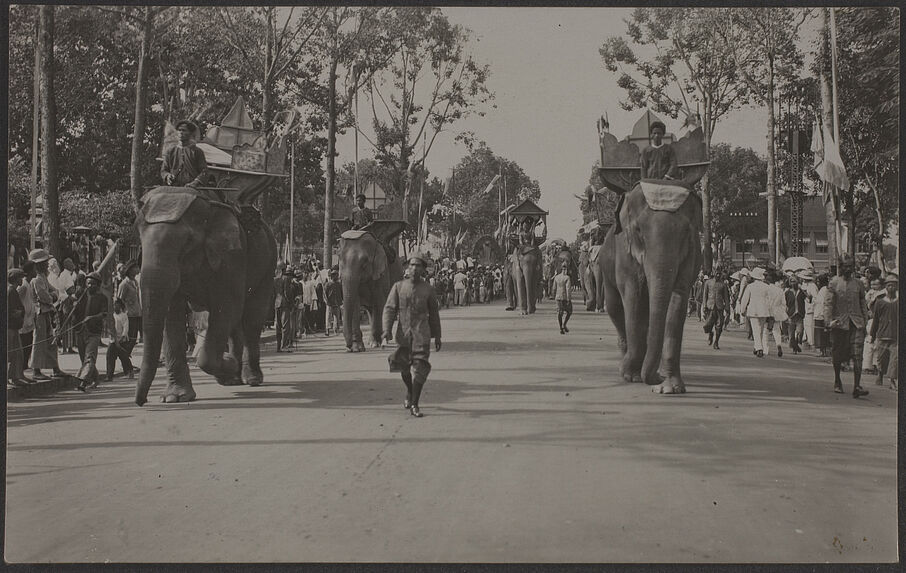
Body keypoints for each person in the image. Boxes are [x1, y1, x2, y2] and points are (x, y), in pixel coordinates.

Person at [382, 253, 442, 418]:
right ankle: (409, 391)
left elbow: (434, 314)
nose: (414, 268)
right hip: (404, 334)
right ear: (407, 268)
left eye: (418, 266)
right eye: (412, 265)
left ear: (423, 269)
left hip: (422, 333)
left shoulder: (428, 289)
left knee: (421, 367)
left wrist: (437, 336)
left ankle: (415, 403)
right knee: (403, 367)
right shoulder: (398, 287)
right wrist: (386, 330)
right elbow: (389, 308)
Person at [824, 256, 870, 398]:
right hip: (839, 324)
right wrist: (828, 321)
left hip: (856, 323)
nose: (848, 269)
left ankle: (857, 386)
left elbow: (863, 302)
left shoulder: (859, 284)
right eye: (845, 266)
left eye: (850, 266)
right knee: (838, 355)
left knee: (858, 355)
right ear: (840, 267)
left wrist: (865, 319)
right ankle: (837, 380)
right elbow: (828, 304)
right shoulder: (834, 283)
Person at [28, 248, 65, 379]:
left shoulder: (43, 278)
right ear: (38, 265)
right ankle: (36, 370)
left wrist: (53, 295)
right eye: (44, 263)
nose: (46, 265)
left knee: (51, 340)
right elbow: (45, 297)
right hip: (39, 313)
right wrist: (53, 296)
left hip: (47, 312)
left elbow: (54, 291)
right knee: (38, 341)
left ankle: (55, 368)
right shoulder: (36, 280)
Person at [74, 272, 108, 391]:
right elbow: (73, 311)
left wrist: (92, 317)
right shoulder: (80, 295)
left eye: (93, 284)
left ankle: (83, 382)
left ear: (98, 285)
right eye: (88, 283)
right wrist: (71, 304)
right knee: (84, 357)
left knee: (90, 357)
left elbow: (104, 313)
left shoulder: (102, 298)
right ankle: (96, 378)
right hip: (80, 330)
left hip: (94, 331)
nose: (90, 286)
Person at [869, 274, 897, 389]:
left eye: (894, 286)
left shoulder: (899, 301)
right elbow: (875, 320)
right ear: (886, 287)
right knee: (882, 358)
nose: (891, 288)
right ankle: (880, 374)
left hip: (896, 336)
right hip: (882, 334)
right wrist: (872, 335)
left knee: (895, 359)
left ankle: (892, 380)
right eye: (889, 285)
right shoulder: (880, 302)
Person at [161, 120, 208, 188]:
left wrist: (195, 182)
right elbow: (164, 170)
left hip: (192, 187)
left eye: (184, 130)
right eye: (179, 130)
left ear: (190, 133)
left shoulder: (197, 151)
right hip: (173, 187)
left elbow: (204, 171)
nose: (181, 132)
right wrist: (168, 176)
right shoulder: (170, 151)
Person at [739, 267, 770, 358]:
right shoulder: (767, 287)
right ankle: (757, 347)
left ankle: (759, 348)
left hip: (753, 310)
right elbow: (770, 299)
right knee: (760, 330)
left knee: (756, 329)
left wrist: (742, 309)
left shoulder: (750, 286)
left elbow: (745, 299)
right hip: (764, 310)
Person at [116, 259, 141, 364]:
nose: (137, 269)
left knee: (134, 338)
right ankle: (124, 360)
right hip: (129, 314)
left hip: (137, 313)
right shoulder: (124, 284)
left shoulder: (135, 282)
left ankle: (125, 359)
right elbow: (119, 300)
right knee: (129, 338)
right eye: (135, 267)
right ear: (130, 270)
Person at [861, 277, 885, 375]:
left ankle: (875, 366)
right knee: (869, 343)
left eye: (876, 284)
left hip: (879, 321)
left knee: (876, 345)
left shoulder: (882, 295)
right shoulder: (871, 293)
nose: (873, 286)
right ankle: (868, 366)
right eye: (872, 284)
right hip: (871, 320)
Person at [106, 299, 135, 381]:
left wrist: (122, 337)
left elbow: (126, 328)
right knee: (110, 357)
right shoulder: (112, 315)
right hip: (113, 340)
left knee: (124, 357)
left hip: (122, 340)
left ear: (120, 306)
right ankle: (109, 375)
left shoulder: (124, 315)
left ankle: (129, 371)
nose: (115, 306)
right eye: (114, 305)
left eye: (117, 305)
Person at [8, 269, 28, 387]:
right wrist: (19, 313)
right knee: (10, 353)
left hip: (14, 327)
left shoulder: (13, 291)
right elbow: (10, 310)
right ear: (16, 279)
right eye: (20, 278)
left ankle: (15, 377)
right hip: (10, 327)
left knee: (17, 353)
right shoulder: (11, 291)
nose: (22, 280)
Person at [702, 270, 730, 350]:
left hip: (719, 307)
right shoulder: (708, 282)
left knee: (719, 326)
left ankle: (716, 342)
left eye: (719, 274)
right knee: (707, 325)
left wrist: (727, 307)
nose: (718, 275)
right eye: (716, 273)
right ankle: (710, 334)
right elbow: (705, 295)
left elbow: (726, 297)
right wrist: (704, 305)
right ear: (713, 273)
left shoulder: (723, 285)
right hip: (710, 307)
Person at [763, 270, 789, 357]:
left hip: (767, 311)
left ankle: (765, 349)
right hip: (777, 311)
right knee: (777, 330)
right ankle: (778, 345)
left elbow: (764, 301)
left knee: (765, 330)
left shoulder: (766, 289)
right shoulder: (780, 290)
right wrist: (781, 311)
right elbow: (784, 303)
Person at [18, 260, 37, 378]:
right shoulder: (24, 285)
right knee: (24, 344)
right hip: (24, 320)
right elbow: (17, 300)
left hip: (29, 319)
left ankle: (24, 366)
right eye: (34, 269)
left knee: (29, 343)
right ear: (30, 271)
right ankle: (21, 368)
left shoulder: (29, 284)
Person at [785, 276, 807, 354]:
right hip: (791, 315)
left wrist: (805, 292)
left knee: (800, 332)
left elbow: (808, 299)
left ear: (798, 282)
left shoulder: (801, 292)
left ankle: (797, 344)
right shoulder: (787, 292)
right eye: (792, 282)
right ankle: (795, 347)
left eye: (795, 281)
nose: (793, 283)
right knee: (791, 334)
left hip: (799, 315)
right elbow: (785, 304)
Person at [553, 262, 573, 335]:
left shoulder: (556, 277)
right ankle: (564, 324)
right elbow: (568, 289)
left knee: (560, 313)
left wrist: (554, 296)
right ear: (566, 269)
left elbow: (554, 288)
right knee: (569, 312)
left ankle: (561, 327)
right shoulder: (567, 278)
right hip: (564, 297)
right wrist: (569, 299)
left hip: (558, 297)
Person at [324, 269, 343, 337]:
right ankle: (327, 330)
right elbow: (324, 294)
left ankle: (336, 329)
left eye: (337, 275)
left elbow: (341, 293)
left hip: (337, 302)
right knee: (328, 317)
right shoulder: (328, 284)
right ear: (332, 276)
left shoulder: (339, 284)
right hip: (330, 303)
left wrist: (342, 300)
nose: (337, 277)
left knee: (337, 317)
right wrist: (326, 301)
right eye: (335, 275)